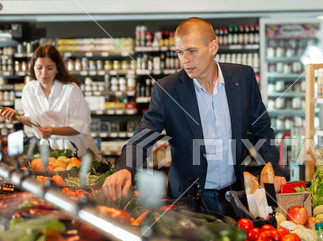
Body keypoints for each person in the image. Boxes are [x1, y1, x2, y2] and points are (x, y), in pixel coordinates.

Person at [102, 17, 281, 215]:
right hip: (189, 200)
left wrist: (274, 171)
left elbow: (261, 129)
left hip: (236, 195)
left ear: (213, 47)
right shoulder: (167, 89)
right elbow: (144, 135)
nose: (185, 60)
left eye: (192, 51)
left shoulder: (243, 77)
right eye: (180, 52)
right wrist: (125, 168)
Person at [0, 45, 99, 159]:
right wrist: (17, 116)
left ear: (57, 68)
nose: (44, 73)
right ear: (33, 67)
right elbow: (34, 120)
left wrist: (52, 130)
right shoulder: (29, 90)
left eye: (50, 68)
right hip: (48, 149)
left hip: (76, 149)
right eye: (39, 68)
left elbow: (80, 127)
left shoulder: (71, 89)